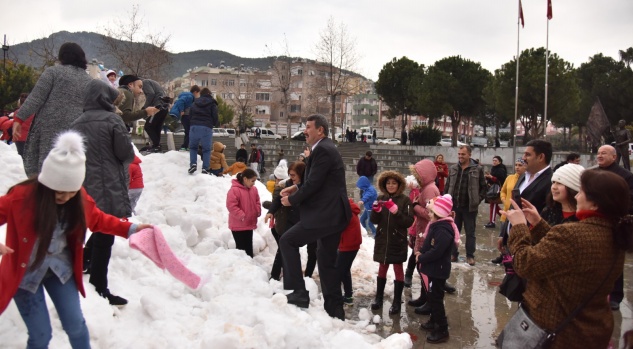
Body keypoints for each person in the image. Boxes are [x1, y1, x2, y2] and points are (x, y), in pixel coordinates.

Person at [0, 131, 152, 348]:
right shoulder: (22, 198)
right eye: (58, 192)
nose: (65, 197)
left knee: (77, 326)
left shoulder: (78, 198)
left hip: (60, 272)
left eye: (70, 192)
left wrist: (131, 228)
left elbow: (99, 220)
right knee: (41, 335)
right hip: (25, 275)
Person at [502, 170, 633, 349]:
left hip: (557, 330)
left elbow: (525, 264)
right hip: (593, 327)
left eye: (581, 192)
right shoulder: (614, 233)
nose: (577, 196)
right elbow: (568, 255)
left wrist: (518, 228)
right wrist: (539, 224)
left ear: (595, 204)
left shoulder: (573, 233)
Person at [279, 114, 352, 319]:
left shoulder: (324, 150)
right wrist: (295, 187)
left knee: (288, 241)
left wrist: (292, 200)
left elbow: (313, 185)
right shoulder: (324, 148)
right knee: (326, 259)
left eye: (308, 127)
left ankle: (298, 292)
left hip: (326, 214)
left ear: (320, 130)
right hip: (332, 214)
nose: (305, 130)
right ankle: (334, 309)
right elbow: (316, 181)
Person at [71, 79, 136, 306]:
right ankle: (100, 287)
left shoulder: (76, 123)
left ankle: (83, 267)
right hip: (108, 184)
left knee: (91, 228)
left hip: (84, 185)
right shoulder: (112, 120)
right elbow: (126, 153)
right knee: (105, 235)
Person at [13, 42, 93, 177]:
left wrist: (19, 118)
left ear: (62, 56)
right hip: (77, 129)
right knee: (70, 167)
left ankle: (46, 193)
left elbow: (36, 98)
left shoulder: (53, 72)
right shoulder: (89, 80)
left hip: (49, 127)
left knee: (46, 165)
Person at [369, 171, 415, 315]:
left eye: (393, 183)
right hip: (383, 239)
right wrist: (375, 211)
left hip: (397, 240)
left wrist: (396, 212)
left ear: (399, 185)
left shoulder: (405, 200)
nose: (390, 185)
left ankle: (396, 302)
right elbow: (374, 220)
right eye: (388, 183)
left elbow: (409, 221)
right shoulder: (380, 197)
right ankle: (379, 298)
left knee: (398, 269)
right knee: (382, 267)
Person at [415, 194, 459, 344]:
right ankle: (434, 321)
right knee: (433, 298)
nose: (429, 214)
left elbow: (437, 251)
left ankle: (442, 329)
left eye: (431, 212)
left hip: (437, 270)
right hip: (433, 269)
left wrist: (422, 257)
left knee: (436, 299)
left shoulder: (443, 230)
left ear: (439, 214)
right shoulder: (436, 226)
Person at [594, 145, 633, 311]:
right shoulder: (592, 174)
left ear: (614, 157)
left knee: (614, 260)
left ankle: (615, 296)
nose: (600, 156)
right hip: (594, 222)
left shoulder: (626, 176)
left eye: (604, 153)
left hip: (615, 223)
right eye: (598, 153)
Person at [406, 159, 441, 312]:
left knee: (425, 269)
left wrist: (415, 207)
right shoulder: (427, 187)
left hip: (427, 232)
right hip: (423, 230)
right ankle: (424, 297)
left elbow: (431, 213)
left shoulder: (429, 190)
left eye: (417, 174)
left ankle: (429, 301)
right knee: (422, 268)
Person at [444, 145, 486, 266]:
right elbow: (447, 187)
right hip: (454, 207)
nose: (460, 156)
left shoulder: (477, 169)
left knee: (470, 233)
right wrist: (446, 202)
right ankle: (453, 253)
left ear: (469, 155)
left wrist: (477, 200)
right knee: (453, 231)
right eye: (459, 154)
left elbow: (484, 187)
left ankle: (470, 255)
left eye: (463, 154)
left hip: (469, 208)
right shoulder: (453, 168)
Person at [265, 161, 304, 281]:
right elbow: (277, 200)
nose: (291, 178)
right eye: (290, 175)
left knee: (290, 249)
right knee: (283, 249)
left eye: (293, 175)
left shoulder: (307, 186)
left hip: (300, 222)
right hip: (287, 222)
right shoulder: (287, 184)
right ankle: (276, 275)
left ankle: (289, 274)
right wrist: (270, 211)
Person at [491, 158, 526, 264]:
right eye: (516, 165)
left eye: (520, 165)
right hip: (506, 212)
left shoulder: (526, 181)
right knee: (503, 236)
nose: (517, 167)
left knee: (514, 238)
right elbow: (503, 191)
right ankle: (503, 256)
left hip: (518, 215)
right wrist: (503, 199)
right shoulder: (510, 178)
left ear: (525, 167)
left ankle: (514, 258)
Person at [226, 169, 261, 257]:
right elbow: (231, 205)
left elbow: (257, 201)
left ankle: (250, 266)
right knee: (241, 249)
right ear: (245, 179)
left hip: (249, 223)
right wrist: (242, 215)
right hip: (238, 225)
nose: (254, 183)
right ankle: (242, 266)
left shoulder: (254, 189)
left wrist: (257, 210)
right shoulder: (234, 190)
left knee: (249, 246)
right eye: (252, 181)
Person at [187, 87, 219, 175]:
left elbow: (190, 115)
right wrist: (214, 123)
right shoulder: (212, 103)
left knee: (193, 147)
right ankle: (205, 168)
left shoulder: (195, 102)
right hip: (206, 127)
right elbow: (215, 116)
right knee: (206, 150)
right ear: (209, 94)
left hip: (194, 127)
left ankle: (193, 164)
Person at [337, 198, 362, 306]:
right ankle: (348, 296)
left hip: (347, 246)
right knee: (344, 270)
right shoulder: (350, 208)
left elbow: (336, 226)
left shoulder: (345, 212)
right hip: (352, 245)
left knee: (339, 271)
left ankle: (338, 297)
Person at [141, 79, 171, 152]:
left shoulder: (144, 82)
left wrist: (145, 107)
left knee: (148, 126)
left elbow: (151, 94)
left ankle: (157, 145)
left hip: (157, 107)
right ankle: (156, 145)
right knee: (157, 126)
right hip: (164, 107)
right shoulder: (152, 82)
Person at [484, 156, 507, 229]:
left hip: (497, 189)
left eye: (496, 160)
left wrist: (491, 177)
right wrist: (488, 177)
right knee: (494, 205)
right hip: (492, 189)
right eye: (493, 160)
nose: (494, 162)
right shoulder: (493, 169)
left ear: (499, 161)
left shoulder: (501, 170)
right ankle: (505, 217)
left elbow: (501, 180)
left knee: (493, 205)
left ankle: (492, 222)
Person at [177, 86, 201, 150]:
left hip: (185, 117)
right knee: (189, 131)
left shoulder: (187, 96)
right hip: (188, 116)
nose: (198, 95)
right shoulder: (191, 97)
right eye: (198, 93)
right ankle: (184, 146)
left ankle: (186, 146)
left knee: (188, 131)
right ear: (195, 92)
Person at [12, 93, 34, 157]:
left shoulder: (16, 112)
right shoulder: (33, 112)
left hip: (19, 138)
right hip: (30, 138)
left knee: (22, 157)